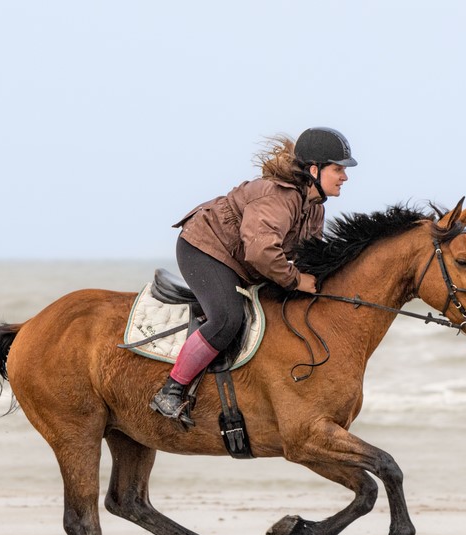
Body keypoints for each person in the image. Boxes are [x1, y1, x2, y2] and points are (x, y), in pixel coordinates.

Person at [150, 127, 357, 423]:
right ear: (315, 169)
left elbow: (304, 256)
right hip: (204, 248)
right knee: (227, 318)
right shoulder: (278, 198)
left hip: (240, 259)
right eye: (338, 169)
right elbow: (261, 252)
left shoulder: (314, 208)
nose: (345, 177)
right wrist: (296, 280)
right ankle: (171, 391)